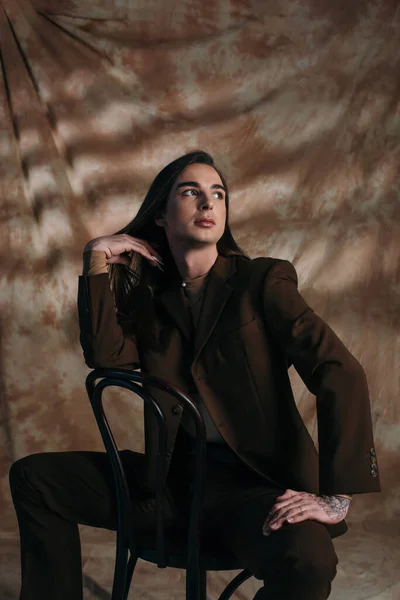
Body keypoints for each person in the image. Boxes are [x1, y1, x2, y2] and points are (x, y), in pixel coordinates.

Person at [9, 150, 380, 600]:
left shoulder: (262, 283)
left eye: (217, 194)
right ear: (161, 218)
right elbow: (106, 356)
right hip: (169, 487)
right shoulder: (155, 298)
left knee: (309, 560)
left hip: (253, 491)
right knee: (35, 478)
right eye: (191, 192)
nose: (208, 204)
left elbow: (339, 370)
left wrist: (335, 496)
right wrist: (96, 258)